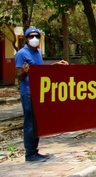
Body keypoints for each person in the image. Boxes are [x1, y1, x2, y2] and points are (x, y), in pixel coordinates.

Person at [15, 27, 68, 162]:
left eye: (37, 36)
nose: (35, 39)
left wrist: (55, 65)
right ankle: (29, 154)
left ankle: (35, 151)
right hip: (28, 93)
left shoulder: (38, 52)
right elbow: (19, 76)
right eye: (31, 36)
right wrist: (25, 72)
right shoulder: (21, 54)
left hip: (39, 92)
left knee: (37, 124)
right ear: (26, 39)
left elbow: (40, 70)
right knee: (29, 124)